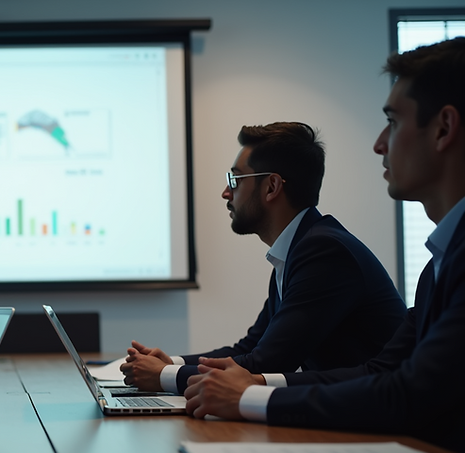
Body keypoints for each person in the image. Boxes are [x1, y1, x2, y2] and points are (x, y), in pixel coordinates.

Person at [184, 37, 465, 453]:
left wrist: (248, 394)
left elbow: (402, 394)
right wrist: (249, 387)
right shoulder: (438, 263)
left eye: (393, 121)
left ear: (443, 128)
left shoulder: (323, 250)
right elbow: (380, 372)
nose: (379, 143)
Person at [120, 122, 406, 395]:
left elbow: (266, 363)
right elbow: (251, 347)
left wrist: (162, 376)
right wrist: (171, 364)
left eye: (235, 179)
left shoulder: (323, 252)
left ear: (271, 187)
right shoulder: (298, 248)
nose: (225, 192)